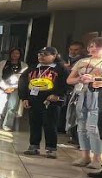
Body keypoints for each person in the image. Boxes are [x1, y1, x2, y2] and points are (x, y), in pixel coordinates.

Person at [18, 47, 69, 157]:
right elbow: (22, 81)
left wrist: (58, 95)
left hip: (51, 101)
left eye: (45, 54)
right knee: (34, 123)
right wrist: (24, 98)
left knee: (50, 124)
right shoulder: (33, 68)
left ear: (54, 56)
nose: (41, 56)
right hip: (34, 99)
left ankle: (51, 148)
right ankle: (33, 146)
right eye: (40, 54)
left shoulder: (60, 69)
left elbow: (67, 84)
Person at [67, 38, 102, 170]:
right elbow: (69, 80)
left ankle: (97, 158)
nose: (93, 49)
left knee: (93, 127)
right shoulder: (82, 61)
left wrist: (94, 79)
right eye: (91, 46)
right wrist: (79, 79)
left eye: (97, 46)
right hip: (81, 94)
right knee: (81, 126)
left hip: (98, 96)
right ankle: (85, 155)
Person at [0, 49, 26, 132]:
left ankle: (7, 125)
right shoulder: (2, 63)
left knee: (12, 108)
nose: (15, 55)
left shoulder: (24, 65)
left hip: (15, 88)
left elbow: (24, 79)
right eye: (13, 53)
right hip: (3, 88)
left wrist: (14, 87)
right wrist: (5, 87)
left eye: (17, 53)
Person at [66, 41, 88, 146]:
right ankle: (75, 137)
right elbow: (70, 80)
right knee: (75, 115)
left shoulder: (85, 61)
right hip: (76, 91)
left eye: (76, 50)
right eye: (71, 49)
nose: (73, 52)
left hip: (92, 93)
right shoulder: (78, 62)